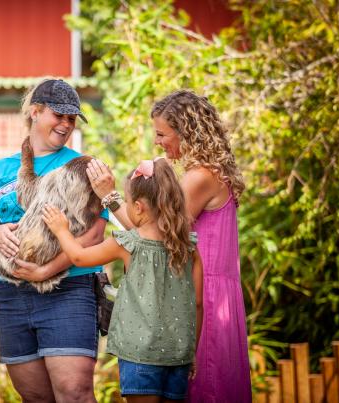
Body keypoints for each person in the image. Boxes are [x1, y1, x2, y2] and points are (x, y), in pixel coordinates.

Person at [87, 90, 251, 402]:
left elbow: (151, 235)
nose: (158, 143)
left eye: (162, 134)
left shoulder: (199, 176)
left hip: (201, 293)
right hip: (213, 289)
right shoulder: (210, 171)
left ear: (186, 131)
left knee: (205, 387)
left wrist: (109, 196)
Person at [0, 78, 108, 402]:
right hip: (11, 293)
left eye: (72, 119)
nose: (66, 124)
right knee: (34, 396)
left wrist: (47, 271)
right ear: (35, 111)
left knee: (74, 393)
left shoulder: (84, 168)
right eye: (60, 115)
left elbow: (95, 234)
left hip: (67, 288)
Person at [43, 158, 203, 402]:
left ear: (138, 207)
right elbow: (198, 303)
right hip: (178, 355)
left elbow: (78, 256)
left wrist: (61, 229)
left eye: (127, 202)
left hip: (139, 356)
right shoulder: (189, 247)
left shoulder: (129, 244)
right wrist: (191, 352)